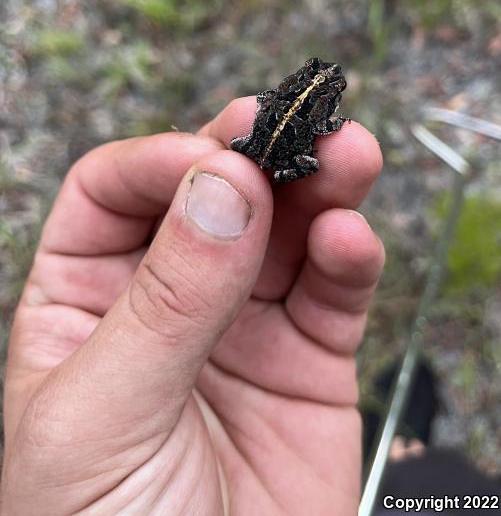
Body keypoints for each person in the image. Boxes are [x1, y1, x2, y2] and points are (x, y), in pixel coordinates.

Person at [1, 96, 385, 515]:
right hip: (279, 152)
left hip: (258, 147)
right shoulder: (317, 119)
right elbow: (314, 127)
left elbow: (264, 101)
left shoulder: (281, 96)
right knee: (308, 173)